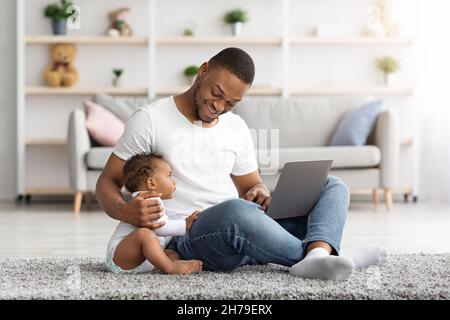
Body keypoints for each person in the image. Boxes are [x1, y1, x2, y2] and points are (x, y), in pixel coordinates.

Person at [97, 47, 387, 281]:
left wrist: (260, 192)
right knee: (236, 211)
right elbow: (107, 181)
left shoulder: (235, 127)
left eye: (231, 103)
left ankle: (317, 256)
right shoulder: (150, 120)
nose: (219, 107)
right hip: (187, 238)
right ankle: (324, 253)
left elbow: (251, 185)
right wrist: (125, 210)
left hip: (243, 226)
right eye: (216, 94)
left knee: (331, 185)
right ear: (203, 71)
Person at [106, 153, 203, 275]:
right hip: (121, 256)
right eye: (169, 176)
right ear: (152, 184)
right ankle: (169, 268)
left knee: (171, 253)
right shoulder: (145, 201)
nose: (173, 182)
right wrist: (185, 224)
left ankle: (171, 262)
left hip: (142, 261)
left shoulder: (152, 200)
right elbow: (159, 228)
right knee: (144, 234)